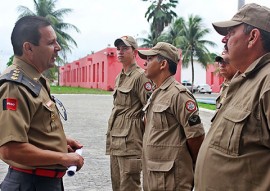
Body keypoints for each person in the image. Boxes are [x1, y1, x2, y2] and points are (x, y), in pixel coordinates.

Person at [0, 16, 84, 191]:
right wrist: (63, 158)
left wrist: (60, 142)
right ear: (29, 48)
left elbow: (34, 127)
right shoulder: (14, 86)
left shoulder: (37, 80)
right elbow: (10, 149)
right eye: (51, 43)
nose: (58, 48)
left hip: (43, 183)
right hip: (30, 184)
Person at [195, 3, 270, 190]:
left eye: (231, 32)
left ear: (253, 37)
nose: (224, 40)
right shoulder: (244, 80)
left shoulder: (267, 83)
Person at [138, 42, 205, 191]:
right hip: (154, 175)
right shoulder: (157, 93)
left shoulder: (179, 95)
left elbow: (196, 136)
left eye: (150, 59)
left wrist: (192, 166)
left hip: (171, 179)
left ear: (163, 64)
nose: (144, 63)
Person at [105, 35, 152, 191]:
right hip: (116, 139)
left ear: (135, 52)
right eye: (118, 49)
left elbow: (150, 110)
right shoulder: (120, 77)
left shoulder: (141, 77)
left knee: (129, 186)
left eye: (125, 48)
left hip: (131, 140)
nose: (120, 52)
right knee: (117, 185)